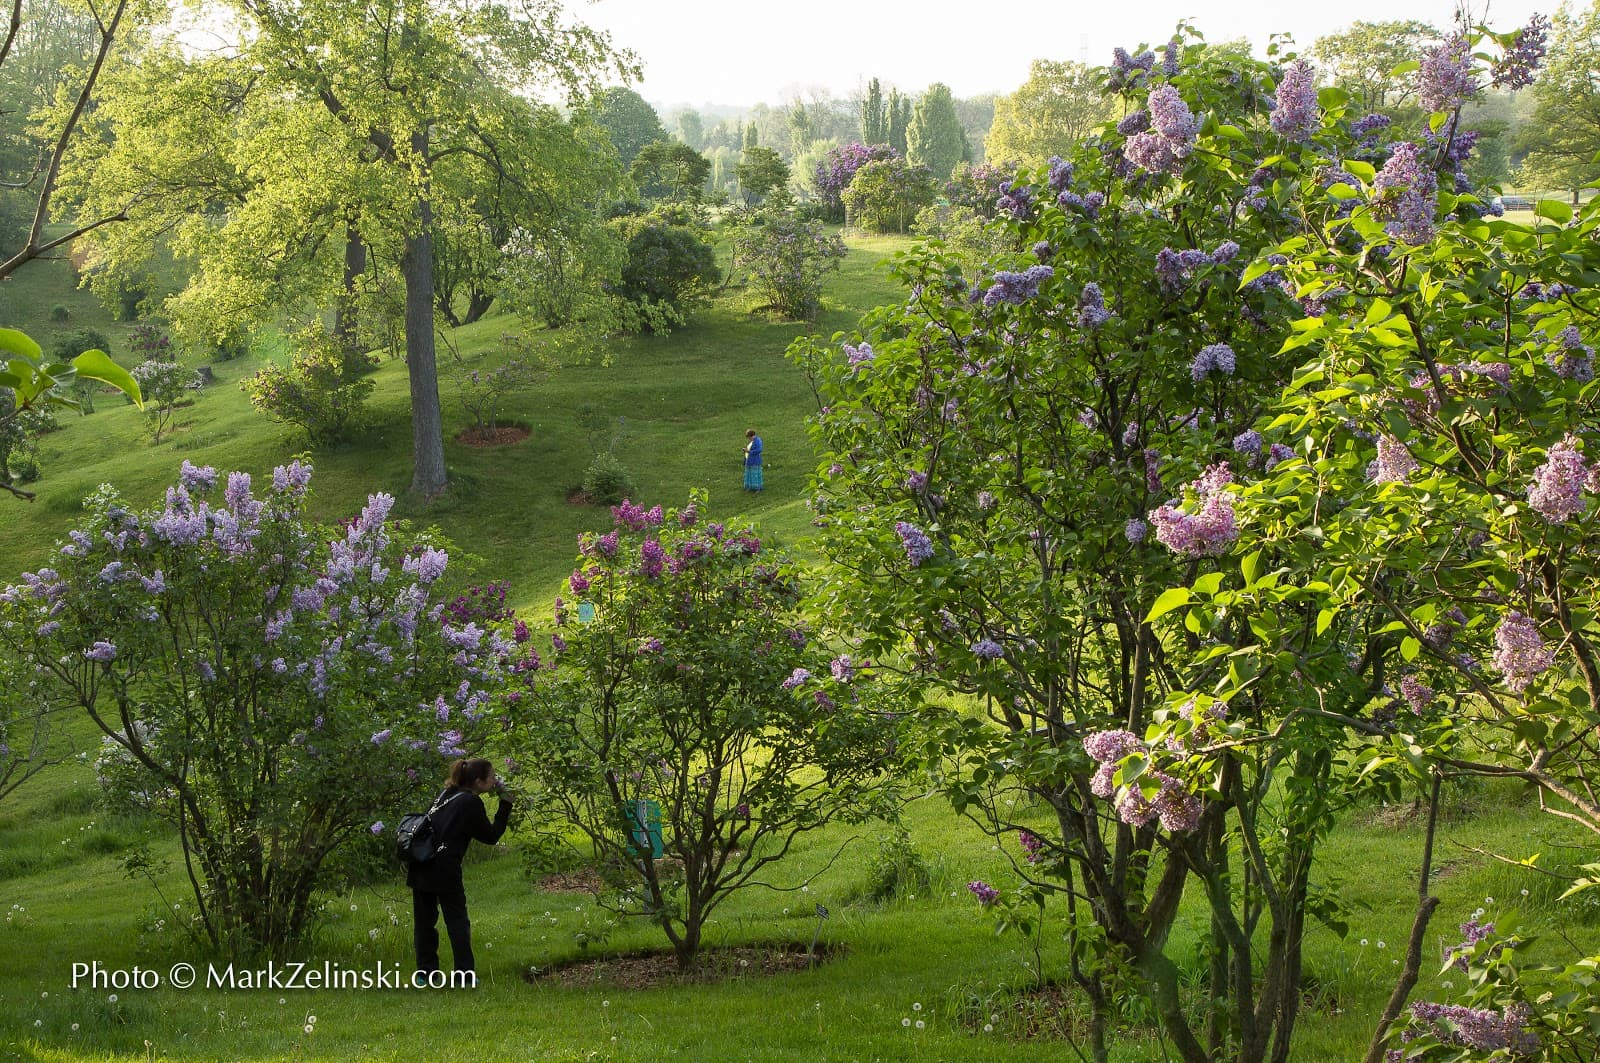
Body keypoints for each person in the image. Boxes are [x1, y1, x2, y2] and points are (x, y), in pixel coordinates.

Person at [408, 757, 512, 985]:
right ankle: (464, 975)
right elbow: (490, 836)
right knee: (457, 922)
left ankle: (425, 973)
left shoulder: (446, 794)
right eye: (492, 777)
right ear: (478, 781)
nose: (495, 781)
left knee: (424, 923)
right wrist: (505, 805)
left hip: (421, 862)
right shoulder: (470, 802)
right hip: (444, 868)